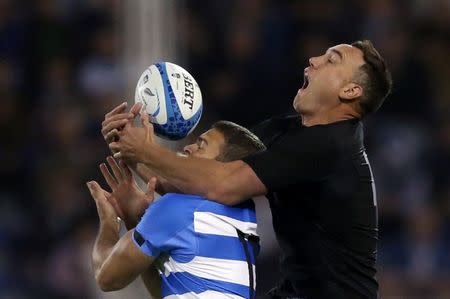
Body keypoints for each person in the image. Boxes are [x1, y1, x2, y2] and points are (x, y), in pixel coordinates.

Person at [102, 40, 393, 299]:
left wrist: (143, 151)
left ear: (351, 90)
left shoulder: (333, 145)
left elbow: (222, 185)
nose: (313, 60)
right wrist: (127, 147)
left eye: (332, 59)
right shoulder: (285, 132)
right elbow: (202, 176)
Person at [87, 120, 266, 299]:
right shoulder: (244, 213)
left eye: (200, 146)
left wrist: (109, 220)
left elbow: (106, 278)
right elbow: (168, 292)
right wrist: (136, 222)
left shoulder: (180, 210)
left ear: (220, 168)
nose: (188, 147)